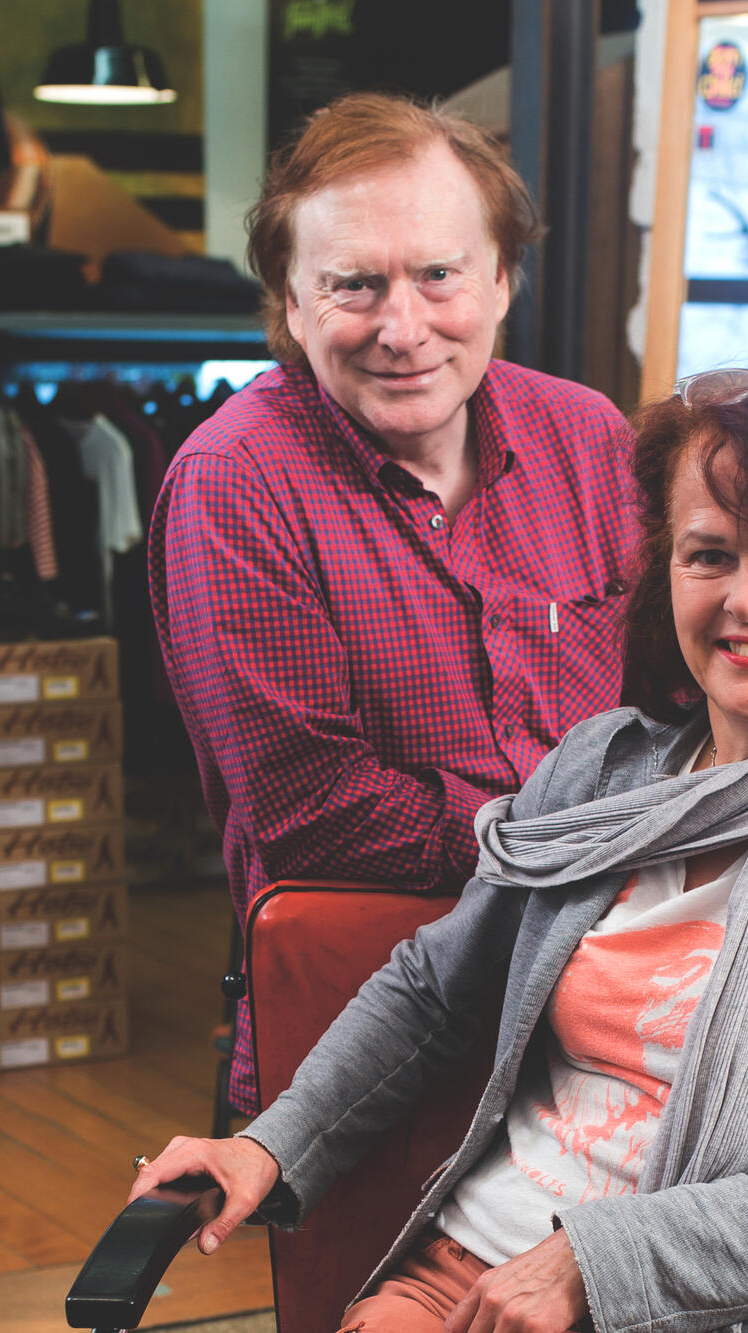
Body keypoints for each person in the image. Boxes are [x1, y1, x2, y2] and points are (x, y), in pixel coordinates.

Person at [133, 362, 748, 1333]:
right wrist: (267, 1148)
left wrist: (594, 1261)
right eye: (709, 555)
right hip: (468, 1267)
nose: (746, 598)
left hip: (687, 1304)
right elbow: (435, 989)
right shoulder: (609, 764)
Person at [148, 93, 639, 1117]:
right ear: (290, 301)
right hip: (365, 1048)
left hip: (605, 1021)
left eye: (436, 276)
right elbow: (312, 815)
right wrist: (583, 848)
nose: (401, 327)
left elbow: (664, 710)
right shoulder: (236, 481)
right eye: (353, 285)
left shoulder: (586, 437)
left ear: (500, 279)